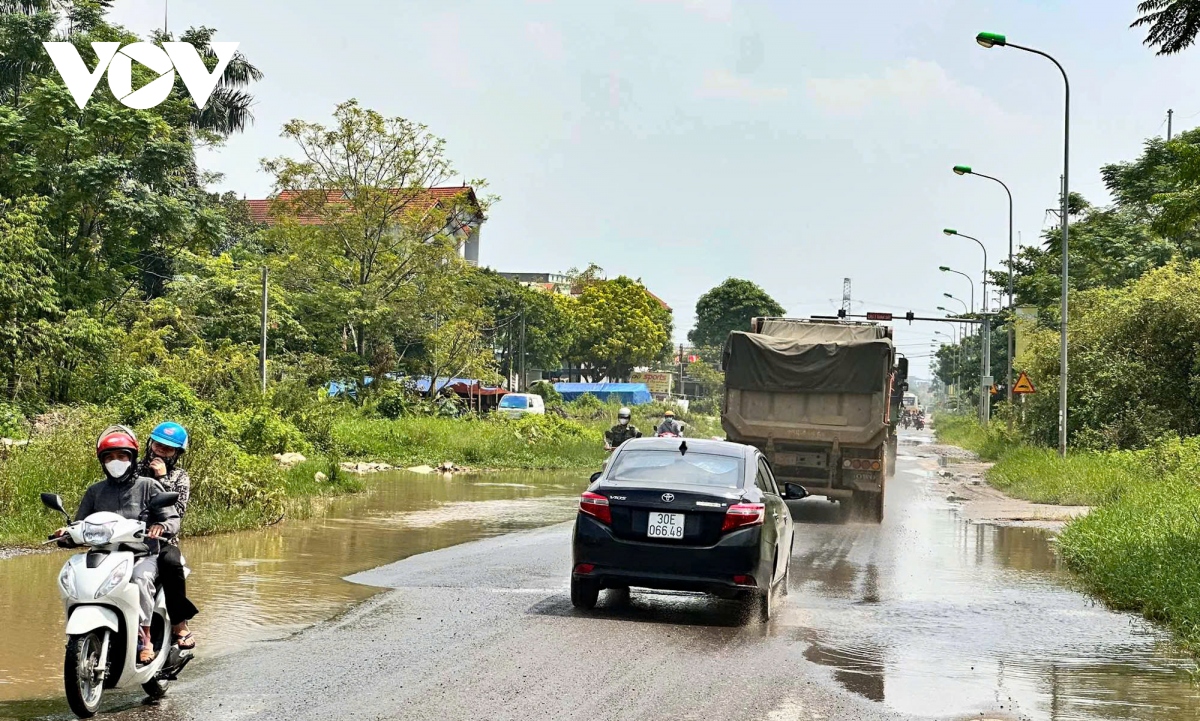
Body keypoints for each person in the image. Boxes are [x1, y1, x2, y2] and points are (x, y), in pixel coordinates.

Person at [55, 428, 178, 665]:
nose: (116, 462)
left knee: (140, 580)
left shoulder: (148, 486)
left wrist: (161, 526)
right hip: (104, 555)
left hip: (142, 555)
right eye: (109, 458)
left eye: (122, 456)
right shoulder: (95, 491)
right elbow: (81, 522)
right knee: (78, 578)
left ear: (132, 458)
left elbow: (171, 518)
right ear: (102, 462)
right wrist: (67, 533)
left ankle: (146, 639)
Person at [139, 422, 199, 650]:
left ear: (176, 453)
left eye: (168, 449)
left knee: (171, 562)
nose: (161, 451)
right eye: (158, 445)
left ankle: (179, 624)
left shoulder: (180, 477)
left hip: (163, 541)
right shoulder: (132, 470)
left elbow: (178, 512)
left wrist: (162, 479)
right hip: (129, 539)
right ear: (150, 444)